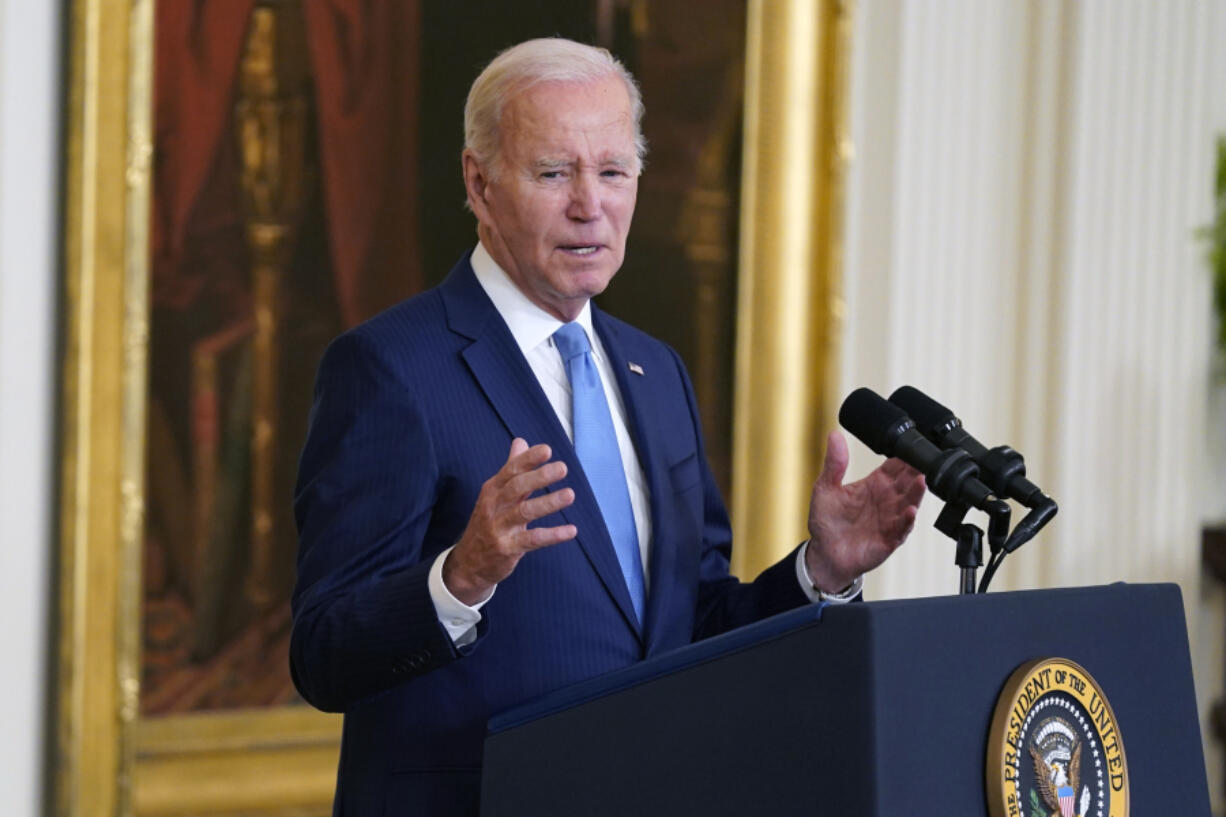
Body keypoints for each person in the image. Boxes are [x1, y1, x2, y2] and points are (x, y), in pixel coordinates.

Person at [290, 37, 925, 817]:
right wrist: (462, 576)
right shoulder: (390, 368)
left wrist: (819, 572)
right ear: (479, 182)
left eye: (614, 172)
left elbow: (690, 626)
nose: (590, 204)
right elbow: (322, 654)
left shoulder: (655, 373)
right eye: (554, 172)